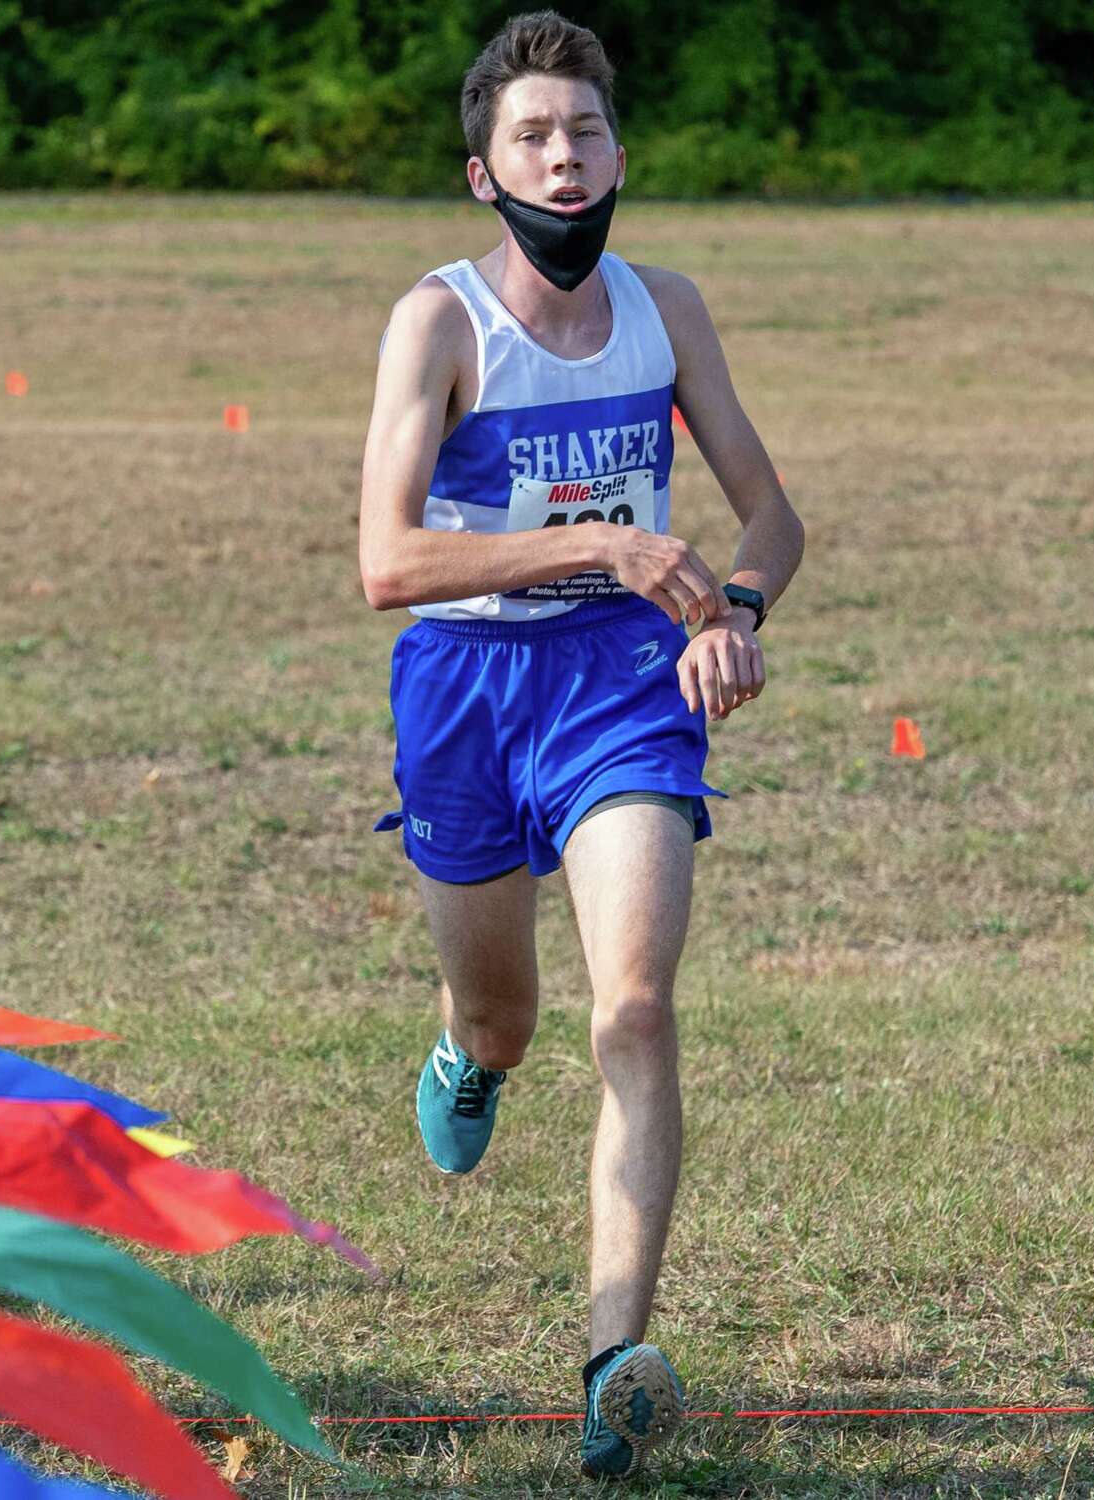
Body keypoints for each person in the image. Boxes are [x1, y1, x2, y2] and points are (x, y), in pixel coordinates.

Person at [359, 9, 804, 1481]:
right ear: (484, 175)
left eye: (588, 129)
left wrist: (730, 609)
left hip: (625, 689)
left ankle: (616, 1359)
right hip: (467, 694)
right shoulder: (441, 322)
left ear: (621, 151)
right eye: (534, 136)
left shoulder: (666, 307)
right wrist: (603, 543)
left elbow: (772, 515)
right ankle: (467, 1052)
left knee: (635, 1008)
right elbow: (384, 562)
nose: (567, 155)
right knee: (510, 1019)